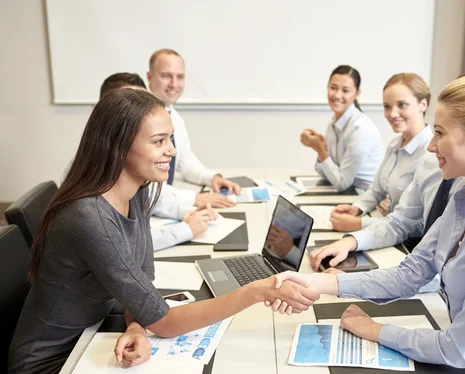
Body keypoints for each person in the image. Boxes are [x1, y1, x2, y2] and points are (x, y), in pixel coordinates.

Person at [8, 89, 319, 373]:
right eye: (158, 141)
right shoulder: (90, 219)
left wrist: (135, 328)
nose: (170, 151)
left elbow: (141, 285)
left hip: (92, 336)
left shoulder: (139, 192)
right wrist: (257, 290)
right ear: (118, 147)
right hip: (53, 363)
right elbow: (167, 323)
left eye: (170, 139)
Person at [270, 75, 465, 372]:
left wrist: (374, 330)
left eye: (439, 133)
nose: (431, 145)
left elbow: (457, 349)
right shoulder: (463, 198)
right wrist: (314, 283)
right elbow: (410, 274)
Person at [63, 72, 218, 251]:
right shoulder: (93, 209)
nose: (171, 150)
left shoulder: (135, 190)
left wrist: (188, 211)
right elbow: (123, 246)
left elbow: (155, 199)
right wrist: (184, 229)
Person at [330, 73, 433, 232]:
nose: (392, 114)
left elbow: (422, 224)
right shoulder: (395, 145)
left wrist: (359, 224)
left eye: (402, 105)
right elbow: (376, 191)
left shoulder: (431, 155)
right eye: (387, 106)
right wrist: (357, 209)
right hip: (386, 230)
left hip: (410, 243)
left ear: (423, 105)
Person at [147, 48, 240, 202]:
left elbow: (186, 163)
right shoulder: (139, 120)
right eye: (166, 76)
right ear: (149, 77)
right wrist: (194, 199)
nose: (174, 84)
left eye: (180, 77)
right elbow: (145, 189)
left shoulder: (173, 116)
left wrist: (212, 178)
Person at [300, 65, 384, 191]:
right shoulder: (334, 123)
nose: (337, 95)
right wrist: (321, 149)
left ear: (357, 93)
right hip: (348, 192)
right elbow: (324, 174)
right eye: (333, 88)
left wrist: (320, 150)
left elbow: (341, 183)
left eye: (345, 90)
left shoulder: (360, 129)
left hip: (364, 196)